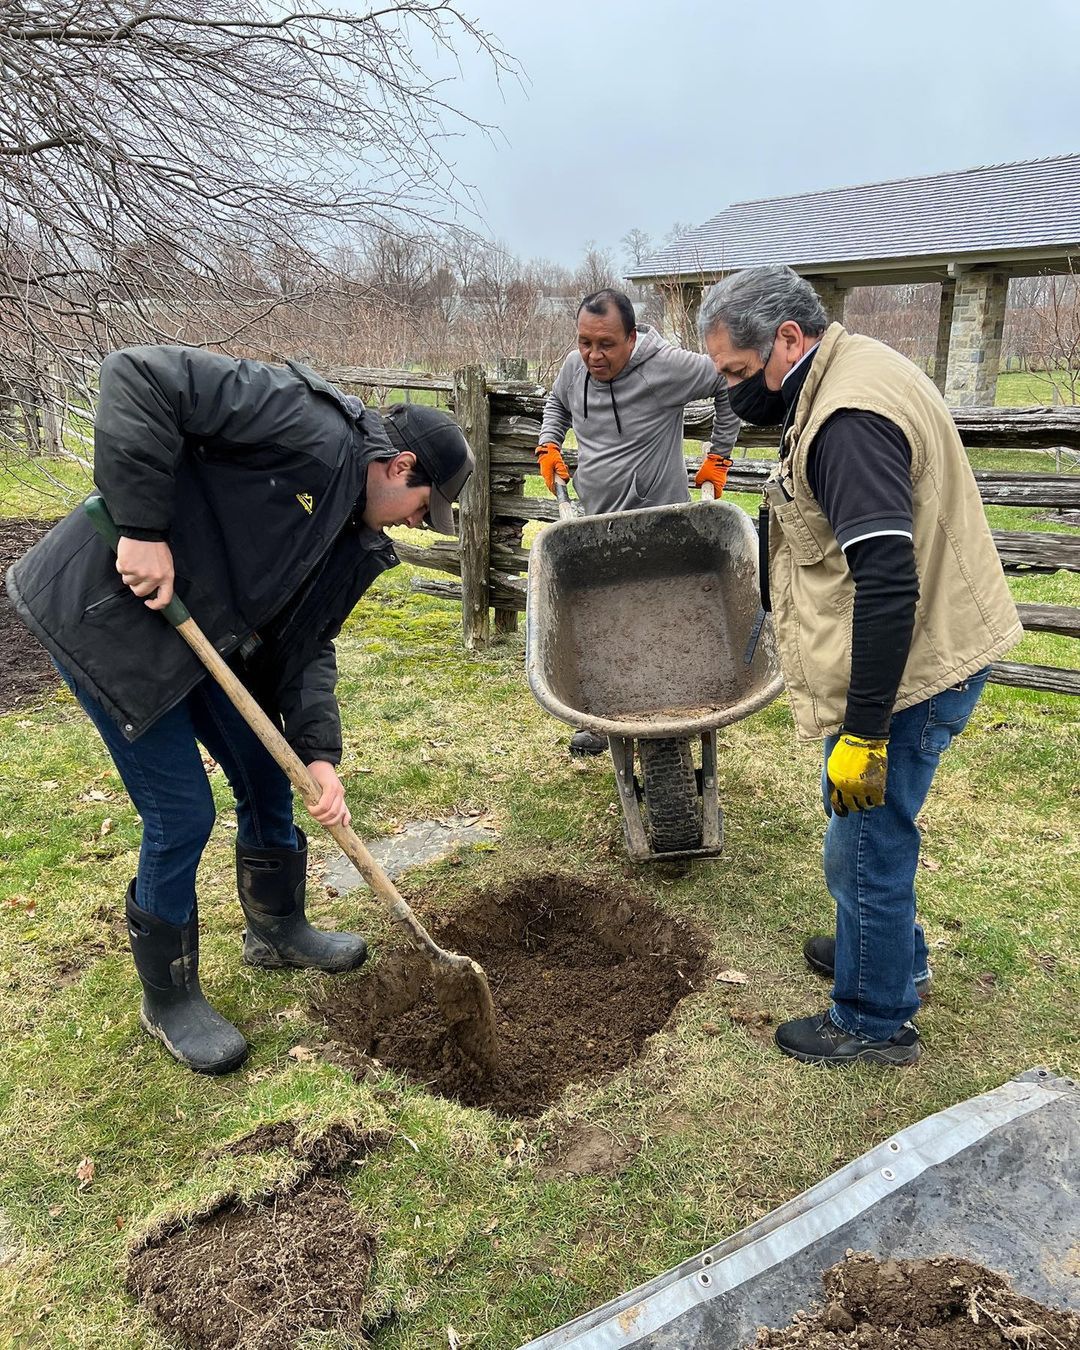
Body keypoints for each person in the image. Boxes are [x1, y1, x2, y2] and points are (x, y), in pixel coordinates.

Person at [6, 345, 474, 1075]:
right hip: (111, 616)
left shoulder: (356, 537)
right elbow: (139, 374)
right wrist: (143, 528)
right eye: (424, 506)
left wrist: (319, 755)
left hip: (205, 632)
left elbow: (310, 644)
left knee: (266, 769)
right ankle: (169, 1000)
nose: (419, 523)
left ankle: (277, 928)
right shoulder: (304, 425)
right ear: (400, 464)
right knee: (180, 813)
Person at [697, 265, 1021, 1067]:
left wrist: (867, 732)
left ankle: (874, 1019)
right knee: (864, 827)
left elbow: (886, 580)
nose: (735, 393)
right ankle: (883, 951)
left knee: (868, 837)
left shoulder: (846, 418)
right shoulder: (853, 365)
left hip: (913, 668)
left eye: (739, 373)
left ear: (789, 340)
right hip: (925, 650)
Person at [535, 287, 741, 754]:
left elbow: (729, 383)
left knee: (663, 618)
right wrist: (549, 442)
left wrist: (719, 455)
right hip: (597, 527)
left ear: (632, 337)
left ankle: (681, 707)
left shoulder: (667, 367)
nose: (593, 354)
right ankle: (601, 720)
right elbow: (557, 403)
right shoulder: (575, 367)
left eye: (606, 344)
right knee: (603, 624)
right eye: (585, 342)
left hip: (660, 526)